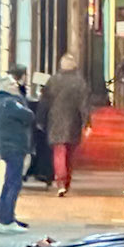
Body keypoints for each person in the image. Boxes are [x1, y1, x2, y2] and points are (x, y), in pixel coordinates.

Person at [40, 54, 92, 195]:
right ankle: (66, 180)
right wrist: (86, 122)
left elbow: (44, 102)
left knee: (59, 151)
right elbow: (84, 105)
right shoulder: (80, 82)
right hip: (73, 121)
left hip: (55, 120)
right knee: (69, 153)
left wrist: (40, 119)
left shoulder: (53, 80)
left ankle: (60, 181)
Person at [0, 72, 36, 230]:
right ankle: (6, 220)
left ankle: (5, 217)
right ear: (4, 87)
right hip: (14, 147)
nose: (15, 87)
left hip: (10, 146)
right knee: (13, 183)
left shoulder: (2, 102)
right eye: (11, 84)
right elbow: (29, 115)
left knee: (9, 182)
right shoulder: (9, 103)